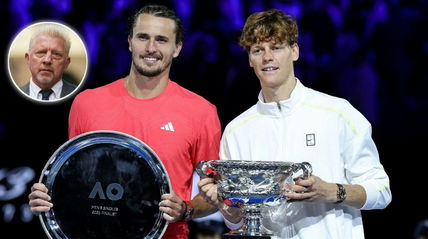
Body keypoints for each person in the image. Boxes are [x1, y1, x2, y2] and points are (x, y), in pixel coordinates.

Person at [28, 5, 220, 239]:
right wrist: (46, 197)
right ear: (130, 42)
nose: (151, 48)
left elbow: (215, 196)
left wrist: (187, 210)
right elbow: (75, 181)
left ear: (177, 48)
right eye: (143, 37)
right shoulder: (87, 103)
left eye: (161, 40)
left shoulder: (201, 112)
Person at [198, 9, 391, 238]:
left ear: (295, 51)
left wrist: (331, 191)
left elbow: (381, 191)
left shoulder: (337, 113)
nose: (267, 57)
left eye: (276, 47)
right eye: (258, 50)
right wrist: (221, 202)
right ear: (250, 59)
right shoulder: (237, 131)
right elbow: (235, 221)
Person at [21, 23, 77, 101]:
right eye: (41, 52)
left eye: (56, 54)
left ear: (66, 63)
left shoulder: (80, 97)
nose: (47, 60)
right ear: (28, 59)